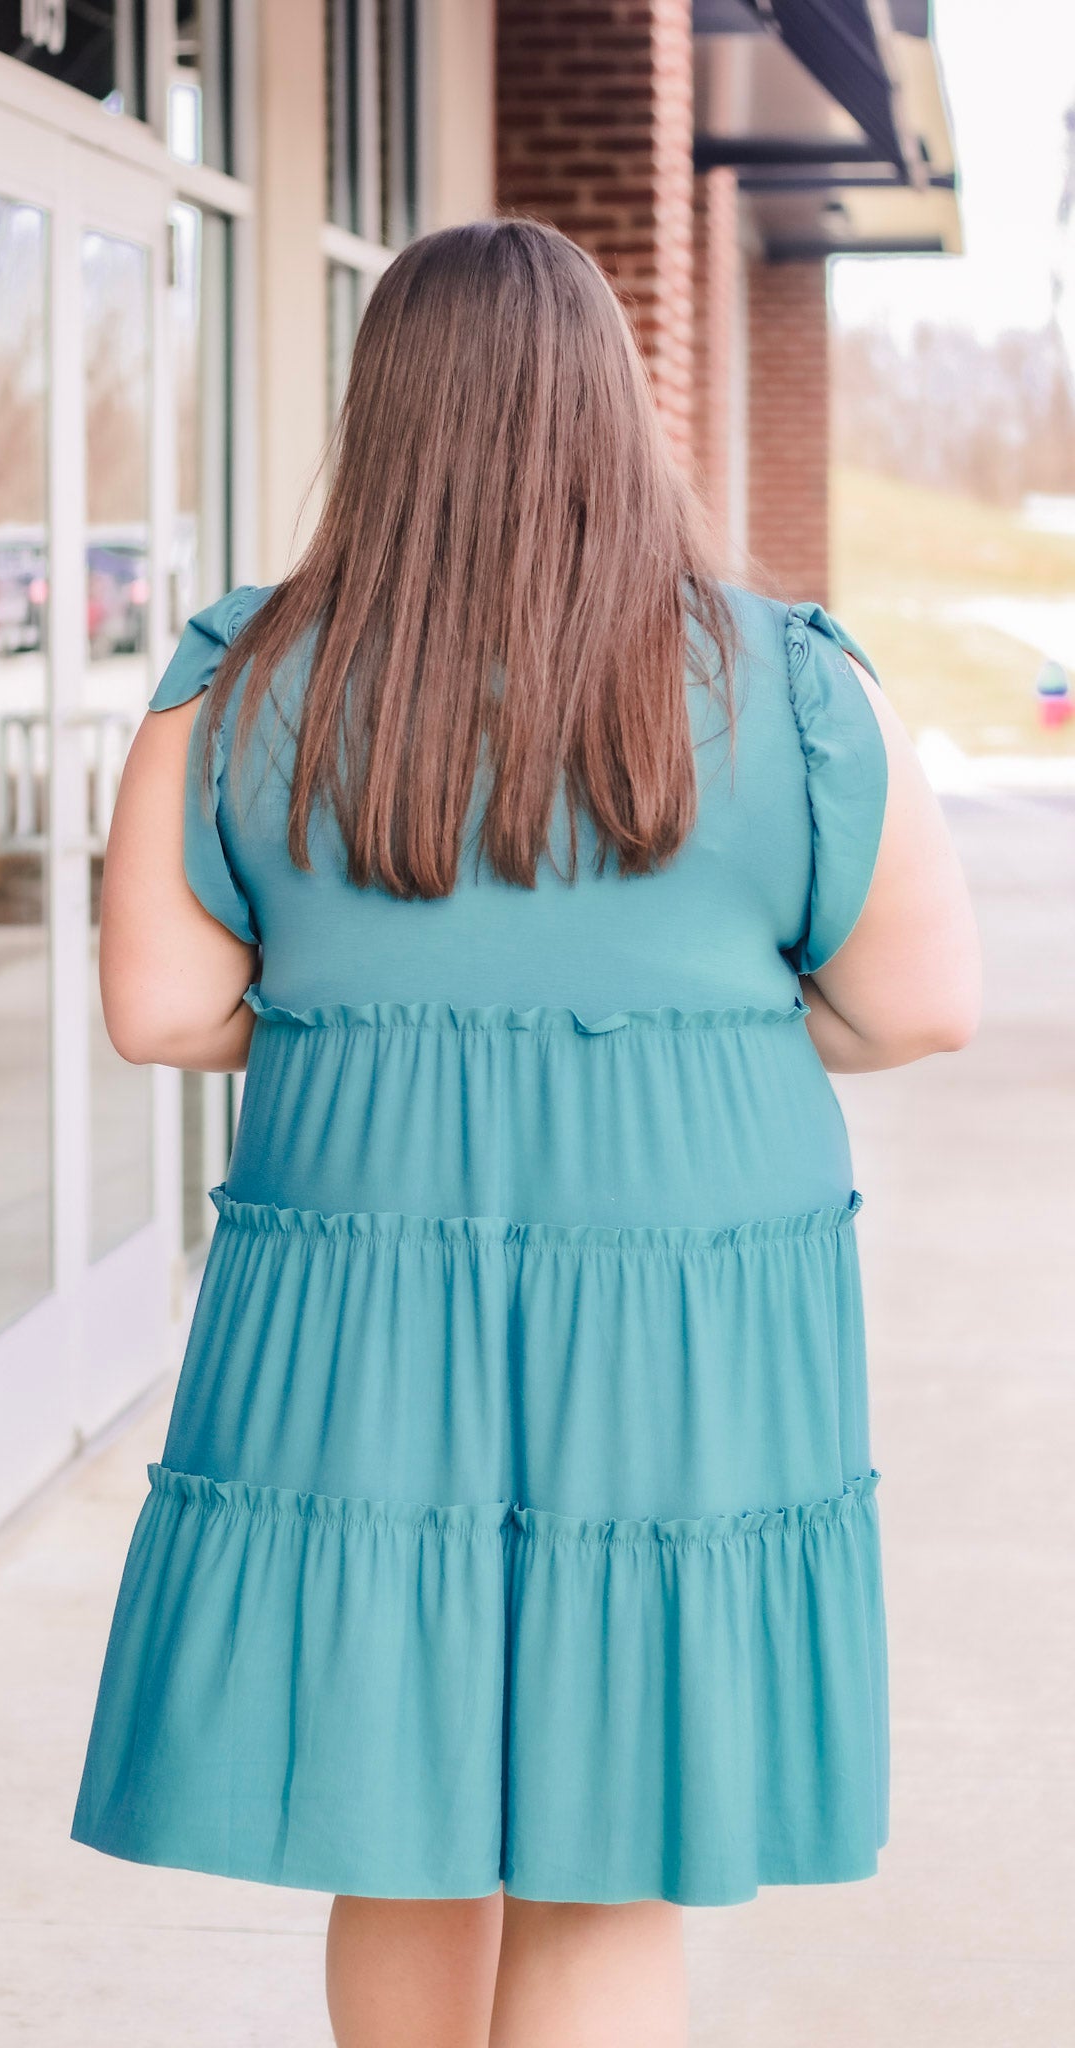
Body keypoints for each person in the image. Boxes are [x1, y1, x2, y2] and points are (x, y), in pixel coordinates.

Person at [70, 218, 982, 2048]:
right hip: (685, 1290)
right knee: (607, 1841)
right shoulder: (795, 680)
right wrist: (689, 1030)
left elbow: (161, 1011)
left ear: (383, 414)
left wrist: (373, 1025)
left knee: (394, 1817)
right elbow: (917, 1004)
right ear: (615, 409)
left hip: (362, 1277)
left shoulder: (240, 677)